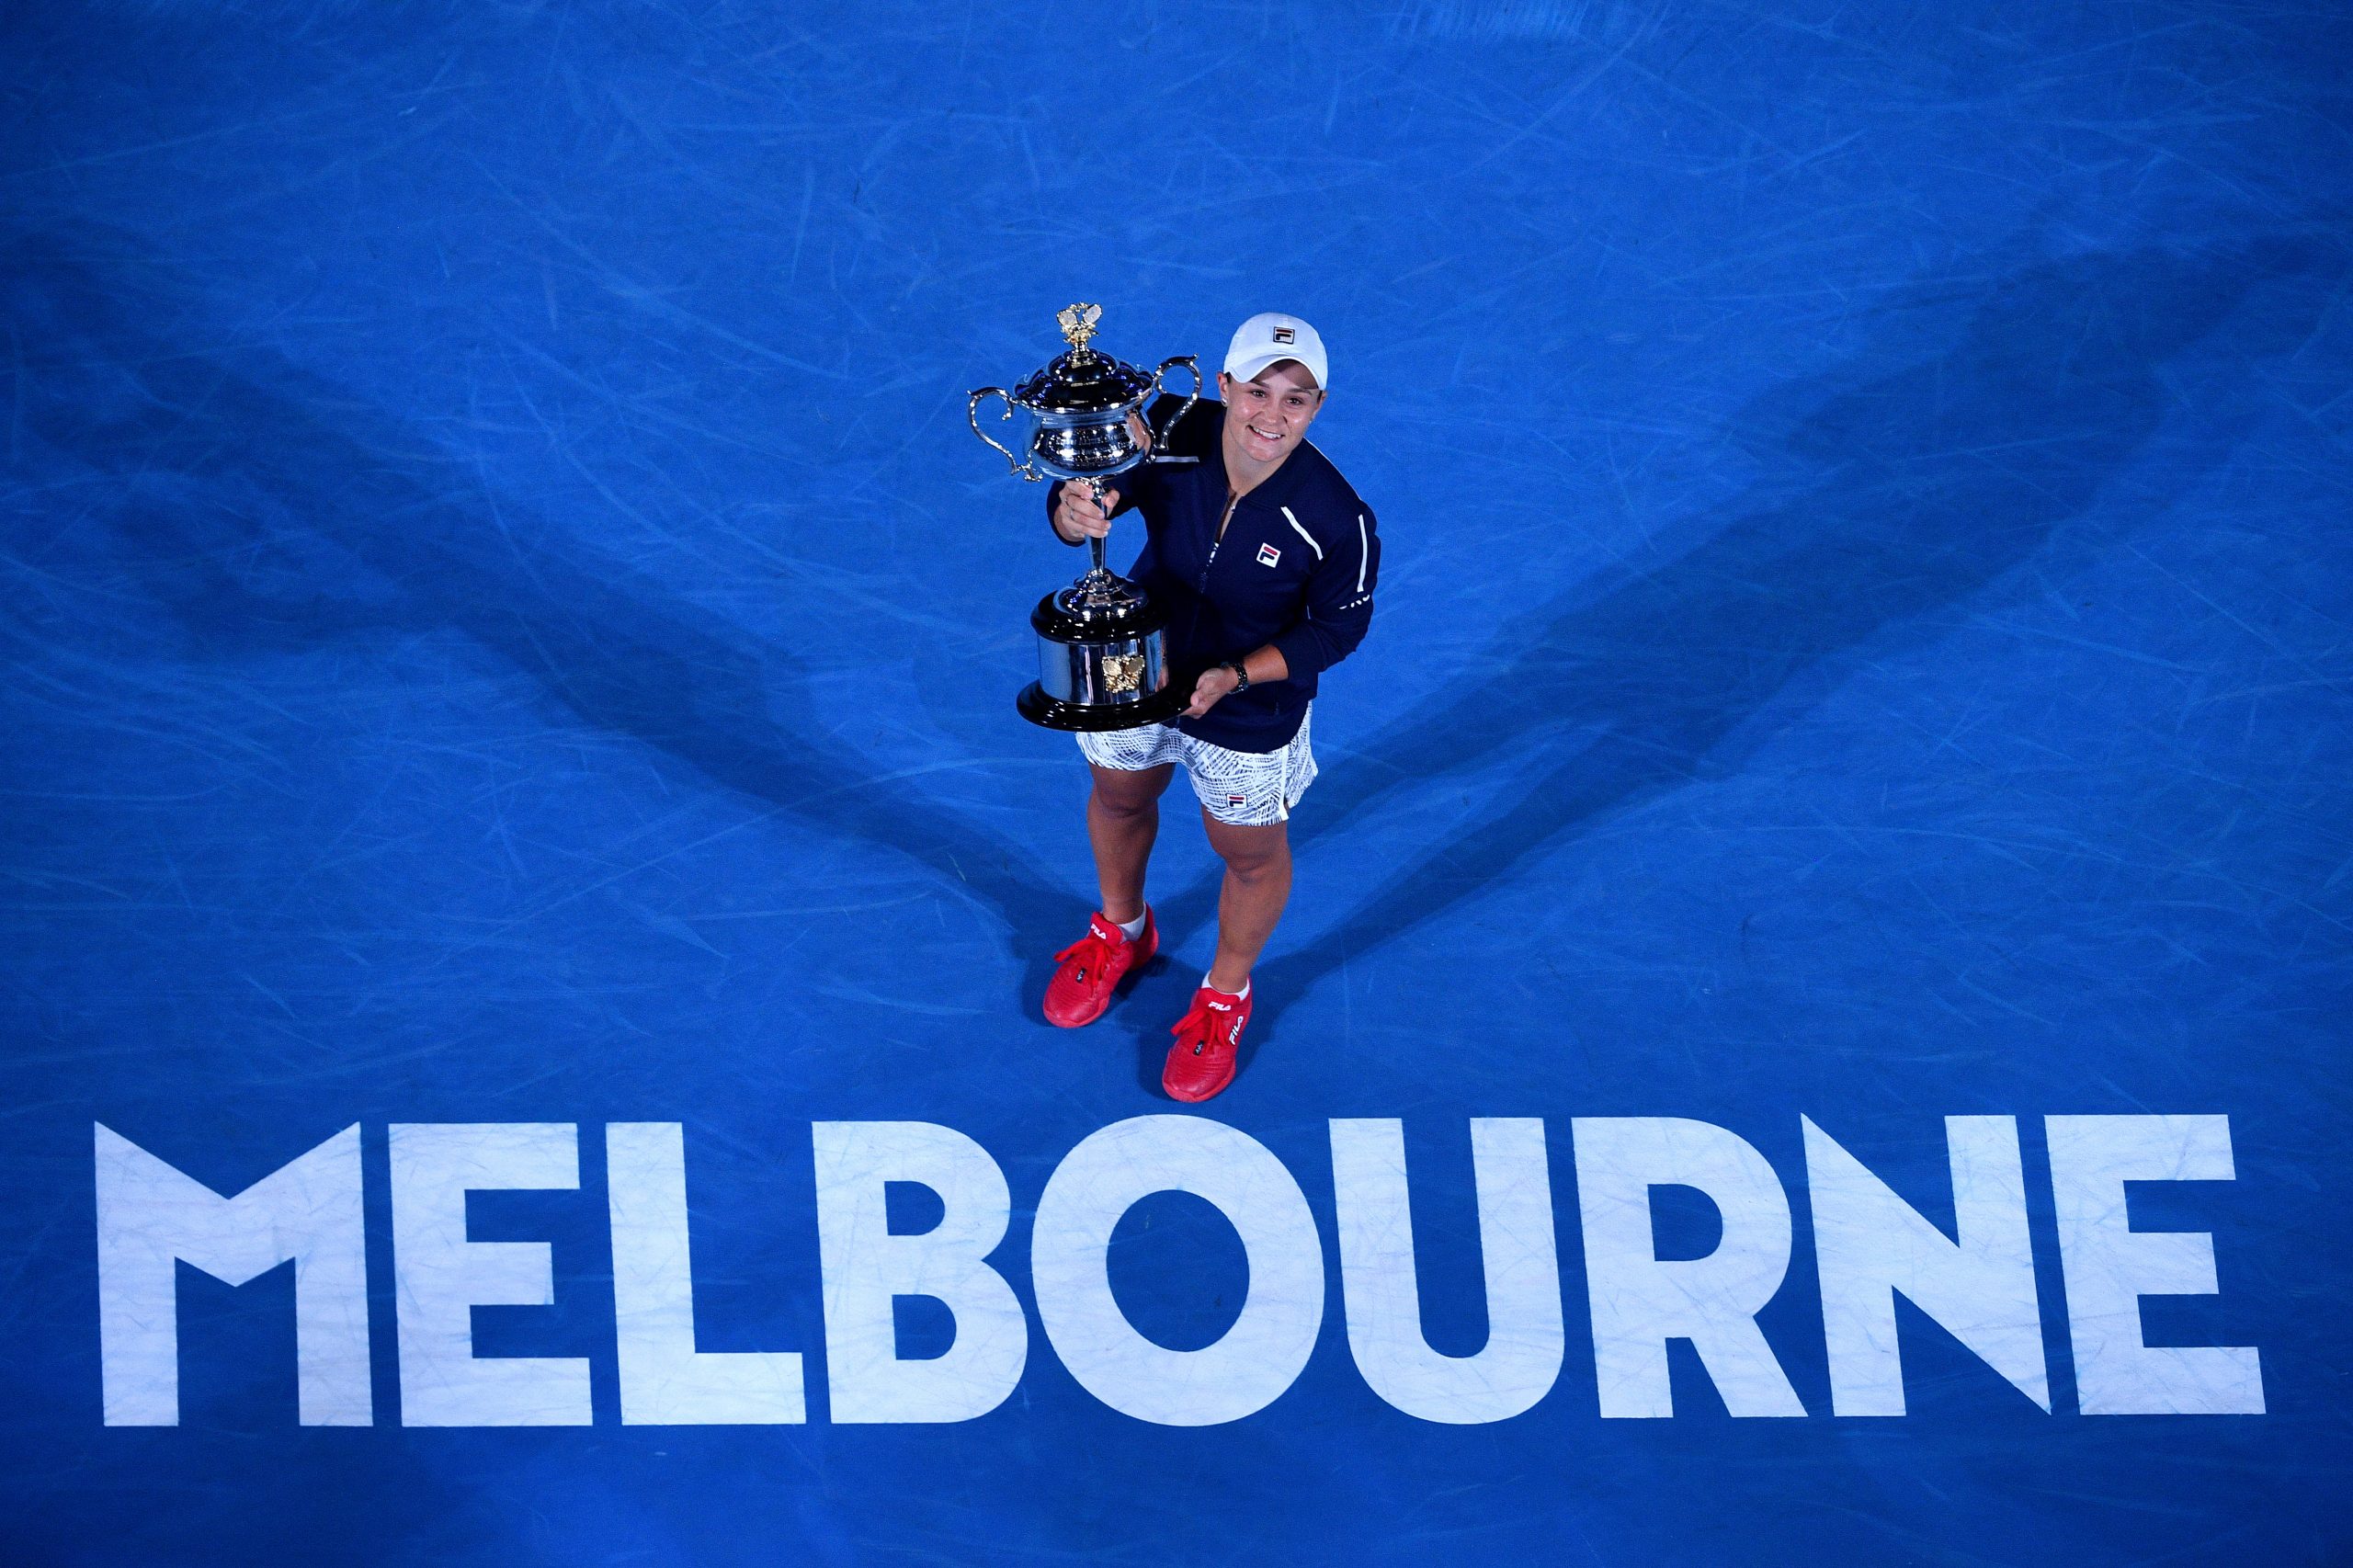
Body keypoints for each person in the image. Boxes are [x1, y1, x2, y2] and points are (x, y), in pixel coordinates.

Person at [1040, 312, 1380, 1102]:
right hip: (1137, 667)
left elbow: (1337, 629)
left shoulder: (1339, 520)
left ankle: (1225, 993)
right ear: (1223, 386)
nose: (1272, 415)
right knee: (1120, 795)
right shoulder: (1168, 427)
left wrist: (1236, 673)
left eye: (1296, 400)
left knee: (1248, 852)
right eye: (1257, 390)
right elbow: (1094, 491)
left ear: (1319, 406)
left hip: (1248, 709)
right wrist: (1071, 513)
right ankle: (1122, 931)